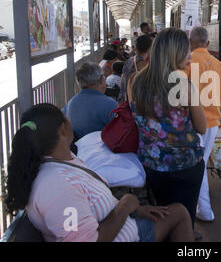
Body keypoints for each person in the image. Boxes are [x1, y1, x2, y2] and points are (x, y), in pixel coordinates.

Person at [5, 103, 194, 242]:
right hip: (127, 235)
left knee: (177, 211)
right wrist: (125, 207)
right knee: (179, 214)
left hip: (125, 223)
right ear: (64, 129)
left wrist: (136, 210)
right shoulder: (57, 187)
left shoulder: (61, 160)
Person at [129, 28, 207, 239]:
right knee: (183, 219)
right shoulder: (184, 85)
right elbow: (202, 127)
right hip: (185, 166)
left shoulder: (135, 81)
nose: (190, 55)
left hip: (152, 164)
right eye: (186, 50)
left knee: (160, 215)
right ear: (173, 53)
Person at [185, 27, 221, 222]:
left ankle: (203, 210)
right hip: (212, 123)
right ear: (208, 43)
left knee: (197, 164)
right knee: (200, 163)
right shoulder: (219, 65)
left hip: (191, 124)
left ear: (190, 42)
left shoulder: (185, 63)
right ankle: (201, 209)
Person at [62, 62, 117, 140]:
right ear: (101, 79)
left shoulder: (69, 104)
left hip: (76, 150)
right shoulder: (110, 104)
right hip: (100, 149)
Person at [118, 34, 152, 103]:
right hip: (134, 105)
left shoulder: (129, 61)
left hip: (125, 101)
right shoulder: (143, 65)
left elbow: (122, 81)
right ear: (150, 48)